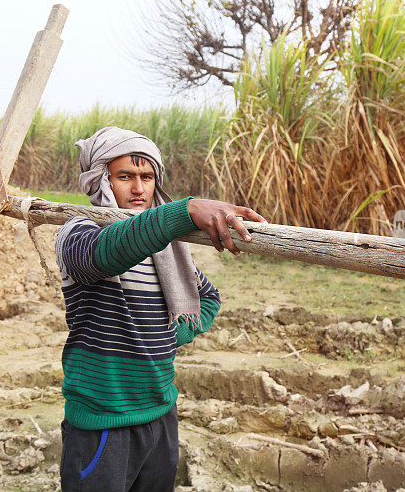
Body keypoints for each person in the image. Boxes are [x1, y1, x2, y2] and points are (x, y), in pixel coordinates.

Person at [55, 126, 265, 491]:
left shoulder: (167, 248)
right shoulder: (76, 232)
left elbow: (208, 298)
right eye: (125, 176)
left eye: (147, 176)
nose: (139, 188)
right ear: (99, 179)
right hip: (103, 424)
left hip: (161, 415)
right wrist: (185, 210)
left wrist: (166, 335)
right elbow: (102, 256)